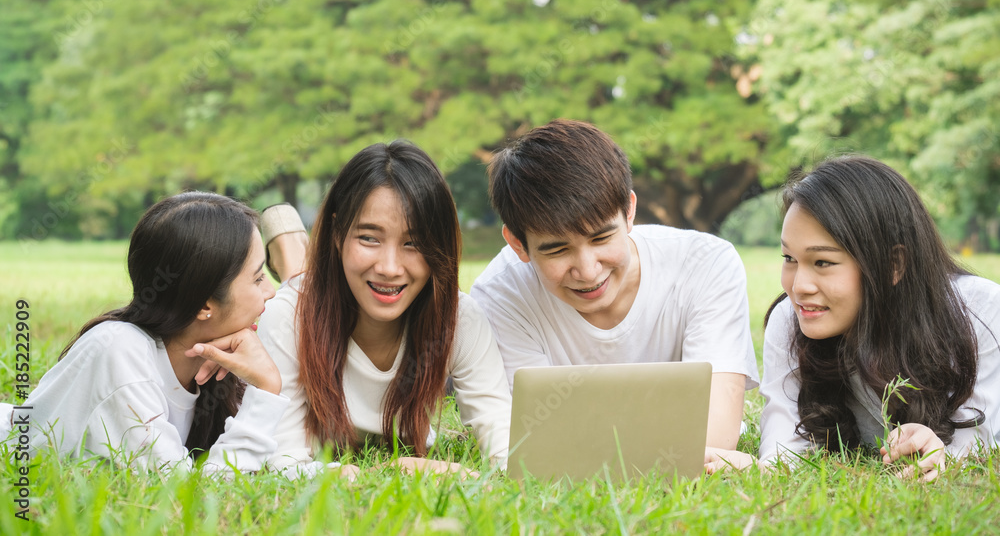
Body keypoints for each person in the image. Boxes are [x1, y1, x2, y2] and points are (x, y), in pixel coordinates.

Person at [468, 119, 759, 461]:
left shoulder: (705, 264)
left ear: (630, 211)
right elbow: (536, 444)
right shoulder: (502, 294)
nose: (588, 271)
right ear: (518, 245)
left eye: (602, 238)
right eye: (557, 250)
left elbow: (715, 439)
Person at [709, 155, 1000, 479]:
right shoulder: (790, 320)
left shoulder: (978, 311)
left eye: (823, 262)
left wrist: (944, 453)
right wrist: (758, 469)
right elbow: (784, 448)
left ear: (894, 265)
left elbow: (976, 444)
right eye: (789, 258)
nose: (798, 286)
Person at [256, 141, 511, 475]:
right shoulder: (283, 318)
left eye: (414, 243)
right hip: (313, 297)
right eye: (369, 238)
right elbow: (282, 463)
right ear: (336, 232)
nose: (390, 267)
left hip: (345, 283)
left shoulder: (460, 319)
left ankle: (293, 249)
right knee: (301, 288)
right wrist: (389, 471)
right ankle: (288, 246)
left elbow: (507, 446)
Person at [0, 192, 289, 472]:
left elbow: (264, 460)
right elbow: (187, 496)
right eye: (258, 277)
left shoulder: (218, 363)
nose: (270, 291)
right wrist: (265, 389)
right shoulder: (120, 349)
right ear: (203, 304)